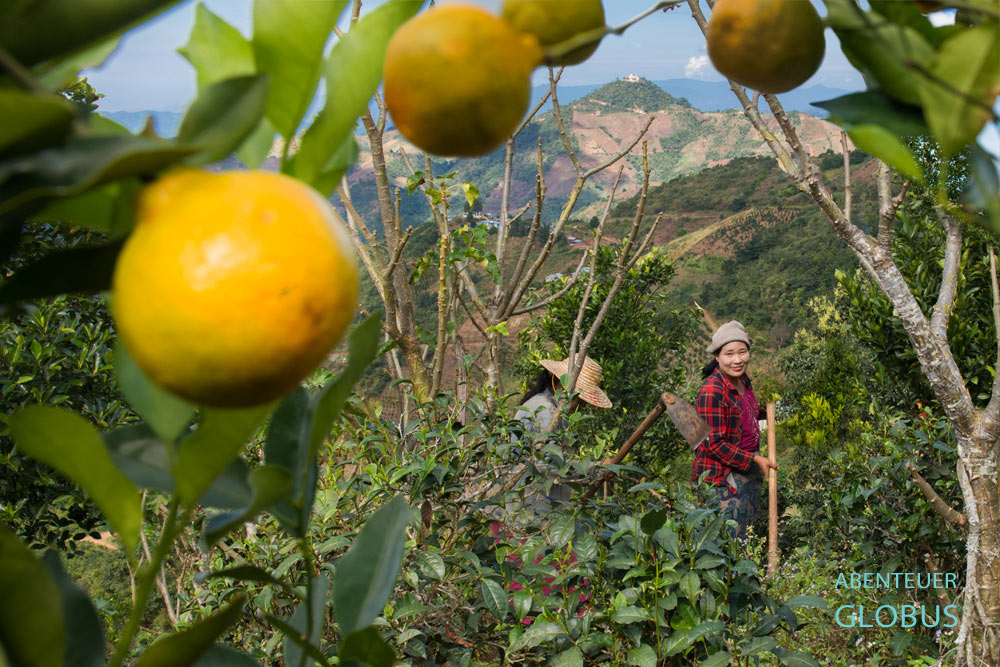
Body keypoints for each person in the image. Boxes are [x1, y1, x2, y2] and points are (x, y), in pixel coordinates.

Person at [692, 321, 777, 540]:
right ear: (717, 357)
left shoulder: (742, 380)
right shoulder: (712, 391)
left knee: (745, 535)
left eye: (742, 352)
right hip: (722, 480)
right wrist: (756, 460)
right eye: (730, 354)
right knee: (727, 543)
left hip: (748, 470)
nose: (737, 360)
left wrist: (765, 415)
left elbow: (741, 414)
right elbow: (714, 445)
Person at [511, 355, 613, 509]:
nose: (582, 407)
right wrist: (597, 468)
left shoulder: (555, 411)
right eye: (581, 401)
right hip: (525, 510)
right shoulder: (545, 412)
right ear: (563, 387)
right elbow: (549, 465)